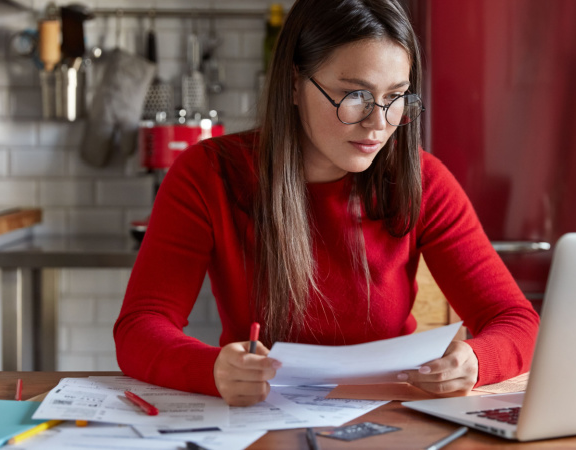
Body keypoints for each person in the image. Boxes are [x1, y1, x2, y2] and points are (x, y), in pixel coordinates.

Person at [114, 0, 539, 407]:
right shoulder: (208, 174)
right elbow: (140, 327)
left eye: (395, 97)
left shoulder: (425, 181)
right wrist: (212, 369)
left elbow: (517, 321)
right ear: (295, 84)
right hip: (262, 419)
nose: (379, 123)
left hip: (392, 419)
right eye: (355, 95)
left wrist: (477, 361)